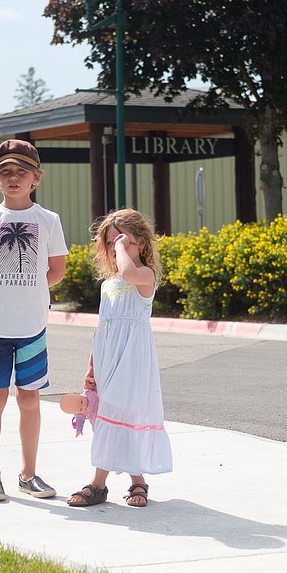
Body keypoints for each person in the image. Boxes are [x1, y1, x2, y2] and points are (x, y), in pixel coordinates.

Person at [0, 139, 68, 502]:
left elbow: (57, 269)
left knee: (30, 400)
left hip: (32, 327)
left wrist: (30, 287)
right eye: (5, 171)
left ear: (35, 178)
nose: (13, 177)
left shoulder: (48, 220)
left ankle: (28, 474)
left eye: (21, 171)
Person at [66, 208, 172, 508]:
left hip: (133, 360)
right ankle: (134, 481)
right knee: (110, 415)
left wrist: (124, 248)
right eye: (111, 243)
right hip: (108, 360)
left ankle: (100, 484)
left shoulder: (144, 277)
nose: (116, 248)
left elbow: (128, 271)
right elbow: (103, 328)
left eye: (123, 241)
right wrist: (91, 366)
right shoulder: (108, 284)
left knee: (127, 413)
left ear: (141, 242)